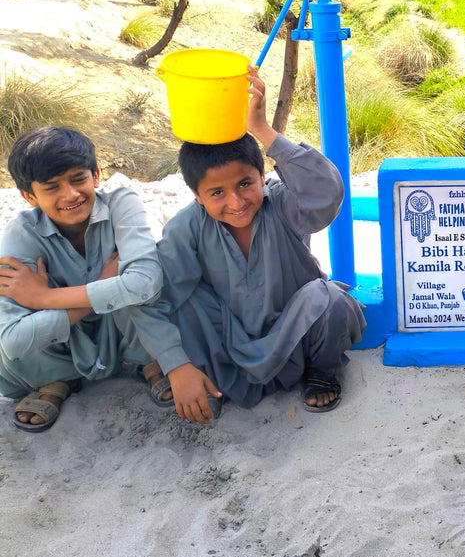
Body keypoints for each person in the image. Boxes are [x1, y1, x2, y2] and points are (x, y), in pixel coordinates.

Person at [135, 66, 366, 424]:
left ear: (263, 176)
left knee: (329, 298)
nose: (236, 201)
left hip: (296, 338)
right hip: (229, 349)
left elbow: (326, 194)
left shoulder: (282, 203)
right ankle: (203, 382)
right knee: (182, 299)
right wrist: (177, 366)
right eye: (216, 193)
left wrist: (263, 130)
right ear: (197, 196)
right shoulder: (187, 228)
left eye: (245, 183)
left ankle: (321, 372)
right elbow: (155, 300)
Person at [0, 127, 166, 432]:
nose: (71, 194)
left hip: (124, 325)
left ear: (96, 175)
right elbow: (12, 341)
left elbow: (146, 282)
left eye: (78, 179)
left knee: (143, 292)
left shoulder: (120, 203)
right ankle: (57, 376)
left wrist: (43, 298)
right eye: (51, 187)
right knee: (119, 289)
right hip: (64, 342)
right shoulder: (20, 235)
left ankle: (148, 360)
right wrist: (103, 287)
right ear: (29, 196)